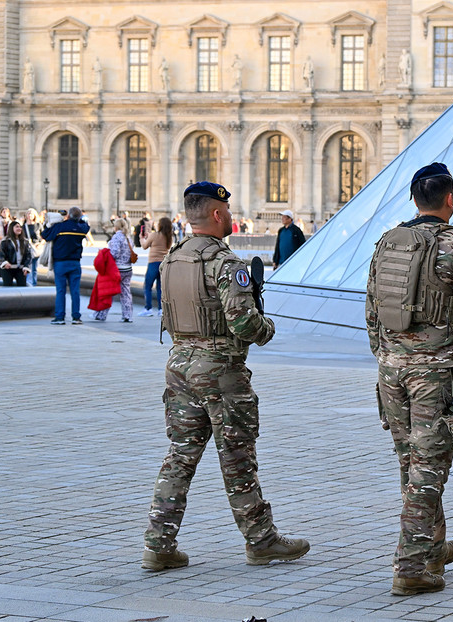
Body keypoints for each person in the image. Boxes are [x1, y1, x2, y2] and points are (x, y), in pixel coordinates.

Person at [143, 181, 309, 572]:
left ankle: (158, 545)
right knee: (237, 458)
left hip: (179, 366)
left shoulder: (172, 259)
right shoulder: (226, 263)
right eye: (229, 210)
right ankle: (261, 541)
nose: (232, 216)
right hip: (219, 371)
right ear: (217, 214)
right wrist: (266, 328)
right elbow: (243, 323)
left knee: (180, 456)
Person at [365, 163, 453, 596]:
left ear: (414, 200)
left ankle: (433, 547)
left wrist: (387, 356)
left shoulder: (387, 243)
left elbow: (371, 309)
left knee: (412, 462)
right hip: (435, 374)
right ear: (450, 199)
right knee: (428, 468)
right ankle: (410, 568)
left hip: (391, 372)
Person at [42, 206, 90, 325]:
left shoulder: (59, 227)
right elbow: (86, 225)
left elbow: (45, 235)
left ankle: (60, 317)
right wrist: (78, 218)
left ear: (68, 215)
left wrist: (56, 220)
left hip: (60, 263)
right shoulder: (81, 228)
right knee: (75, 291)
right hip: (75, 262)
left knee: (61, 291)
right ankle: (76, 317)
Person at [93, 219, 135, 322]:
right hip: (128, 268)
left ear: (116, 227)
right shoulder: (128, 237)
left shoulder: (117, 237)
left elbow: (115, 253)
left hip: (117, 269)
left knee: (108, 291)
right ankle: (127, 315)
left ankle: (101, 315)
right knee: (126, 293)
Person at [139, 217, 173, 317]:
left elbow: (144, 246)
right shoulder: (169, 237)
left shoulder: (154, 235)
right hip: (164, 263)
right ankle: (161, 309)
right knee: (160, 287)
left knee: (148, 286)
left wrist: (142, 238)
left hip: (153, 263)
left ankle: (148, 308)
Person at [0, 221, 33, 286]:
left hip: (20, 269)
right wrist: (4, 263)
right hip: (8, 269)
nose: (19, 228)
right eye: (17, 227)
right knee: (7, 286)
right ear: (11, 228)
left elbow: (28, 256)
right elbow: (0, 254)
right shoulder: (5, 241)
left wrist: (26, 266)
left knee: (22, 285)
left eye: (20, 227)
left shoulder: (25, 242)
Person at [22, 209, 42, 286]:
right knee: (28, 266)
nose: (30, 215)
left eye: (31, 214)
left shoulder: (38, 225)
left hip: (36, 248)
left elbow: (43, 236)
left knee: (35, 268)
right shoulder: (23, 226)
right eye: (28, 213)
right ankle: (29, 283)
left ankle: (34, 283)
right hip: (27, 248)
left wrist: (40, 244)